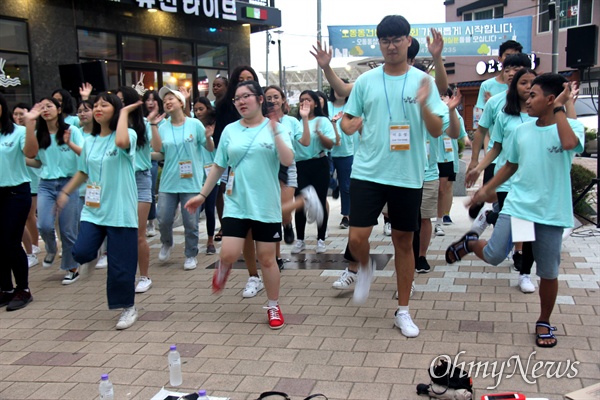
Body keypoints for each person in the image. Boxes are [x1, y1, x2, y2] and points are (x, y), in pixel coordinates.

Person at [446, 74, 584, 348]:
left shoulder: (572, 128)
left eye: (534, 95)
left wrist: (561, 107)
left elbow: (568, 144)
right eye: (527, 93)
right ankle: (471, 243)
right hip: (519, 205)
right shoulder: (521, 131)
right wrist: (486, 190)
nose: (527, 98)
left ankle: (544, 320)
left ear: (550, 99)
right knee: (496, 255)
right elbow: (510, 165)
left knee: (548, 271)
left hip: (552, 212)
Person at [340, 15, 447, 338]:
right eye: (385, 40)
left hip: (407, 174)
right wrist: (349, 126)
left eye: (397, 39)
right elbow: (347, 120)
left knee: (404, 242)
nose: (391, 45)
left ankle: (403, 310)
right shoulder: (366, 81)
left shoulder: (421, 80)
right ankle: (365, 267)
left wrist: (426, 103)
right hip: (368, 171)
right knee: (357, 238)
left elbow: (437, 129)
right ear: (380, 44)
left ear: (407, 41)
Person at [185, 80, 295, 329]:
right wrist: (202, 195)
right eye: (237, 98)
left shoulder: (275, 127)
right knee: (229, 253)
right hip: (236, 202)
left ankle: (273, 305)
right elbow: (219, 165)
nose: (242, 101)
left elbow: (287, 159)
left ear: (259, 99)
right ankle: (223, 268)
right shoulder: (230, 130)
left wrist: (276, 131)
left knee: (267, 259)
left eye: (247, 96)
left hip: (266, 205)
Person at [58, 92, 140, 330]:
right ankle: (92, 256)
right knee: (81, 251)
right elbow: (83, 172)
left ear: (115, 111)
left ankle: (128, 307)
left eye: (105, 105)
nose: (97, 108)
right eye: (95, 105)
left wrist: (124, 113)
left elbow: (122, 143)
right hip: (94, 209)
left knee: (120, 267)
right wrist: (65, 192)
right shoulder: (89, 141)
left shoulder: (127, 135)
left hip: (120, 210)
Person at [465, 68, 538, 293]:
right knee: (519, 225)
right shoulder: (505, 115)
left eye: (531, 84)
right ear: (514, 86)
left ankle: (525, 273)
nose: (527, 87)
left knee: (527, 228)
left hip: (533, 180)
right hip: (507, 180)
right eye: (523, 83)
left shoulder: (542, 115)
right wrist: (478, 167)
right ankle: (492, 217)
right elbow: (496, 147)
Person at [152, 87, 214, 270]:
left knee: (190, 222)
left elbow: (209, 148)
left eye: (171, 98)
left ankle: (190, 254)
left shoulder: (194, 124)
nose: (167, 102)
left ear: (181, 102)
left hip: (191, 182)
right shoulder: (162, 126)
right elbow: (158, 152)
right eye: (165, 101)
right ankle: (166, 242)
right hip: (169, 182)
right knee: (163, 218)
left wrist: (209, 138)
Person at [27, 97, 83, 284]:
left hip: (69, 184)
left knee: (67, 230)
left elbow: (84, 154)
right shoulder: (37, 133)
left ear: (59, 110)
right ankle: (51, 249)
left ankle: (71, 267)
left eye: (49, 106)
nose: (45, 110)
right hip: (46, 184)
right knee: (43, 224)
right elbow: (36, 160)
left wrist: (69, 144)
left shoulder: (71, 131)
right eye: (42, 107)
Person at [265, 85, 310, 270]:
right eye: (269, 97)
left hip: (288, 168)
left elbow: (306, 142)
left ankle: (288, 222)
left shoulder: (291, 121)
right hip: (267, 169)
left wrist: (305, 118)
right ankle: (276, 257)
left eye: (276, 97)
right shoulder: (259, 121)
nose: (273, 100)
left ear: (283, 99)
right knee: (272, 214)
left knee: (281, 210)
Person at [0, 93, 38, 311]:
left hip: (15, 193)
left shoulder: (19, 132)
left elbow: (31, 152)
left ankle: (23, 289)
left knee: (10, 241)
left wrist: (30, 125)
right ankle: (5, 289)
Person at [117, 87, 156, 293]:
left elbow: (158, 148)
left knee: (138, 232)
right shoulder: (114, 127)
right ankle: (127, 275)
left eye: (122, 101)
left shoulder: (144, 126)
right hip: (120, 180)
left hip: (140, 179)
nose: (120, 105)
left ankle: (144, 275)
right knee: (123, 232)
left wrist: (155, 125)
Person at [291, 90, 335, 254]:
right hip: (300, 165)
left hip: (319, 163)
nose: (304, 103)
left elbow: (330, 145)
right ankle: (300, 239)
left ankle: (321, 239)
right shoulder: (296, 123)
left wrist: (319, 133)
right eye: (301, 100)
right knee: (300, 203)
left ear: (315, 103)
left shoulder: (322, 121)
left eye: (308, 100)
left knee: (320, 201)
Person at [13, 103, 41, 267]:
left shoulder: (30, 133)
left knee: (28, 216)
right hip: (12, 184)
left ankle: (34, 248)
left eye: (21, 114)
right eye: (15, 114)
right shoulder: (8, 134)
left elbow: (36, 160)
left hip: (31, 181)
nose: (18, 118)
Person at [193, 96, 219, 255]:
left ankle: (210, 241)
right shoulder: (191, 125)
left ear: (208, 108)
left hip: (211, 173)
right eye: (195, 110)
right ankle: (193, 240)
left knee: (210, 209)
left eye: (201, 109)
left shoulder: (215, 124)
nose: (198, 112)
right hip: (195, 175)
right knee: (194, 210)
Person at [142, 90, 164, 238]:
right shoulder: (141, 121)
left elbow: (159, 148)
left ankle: (151, 222)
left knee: (149, 191)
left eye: (153, 100)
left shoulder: (164, 121)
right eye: (147, 100)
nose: (150, 103)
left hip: (153, 160)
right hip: (139, 162)